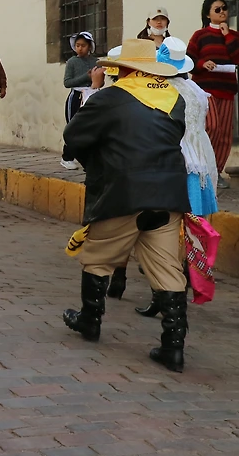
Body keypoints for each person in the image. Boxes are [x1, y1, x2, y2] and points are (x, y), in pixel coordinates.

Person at [61, 38, 191, 372]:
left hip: (123, 190)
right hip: (169, 191)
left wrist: (97, 163)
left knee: (98, 257)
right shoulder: (174, 98)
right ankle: (173, 346)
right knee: (167, 266)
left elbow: (74, 136)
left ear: (123, 69)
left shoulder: (111, 97)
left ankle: (90, 320)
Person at [132, 37, 221, 316]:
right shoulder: (196, 89)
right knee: (191, 230)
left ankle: (164, 294)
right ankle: (183, 283)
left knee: (163, 233)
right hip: (201, 163)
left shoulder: (162, 90)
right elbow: (209, 125)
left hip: (173, 162)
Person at [188, 0, 239, 188]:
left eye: (224, 8)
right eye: (217, 9)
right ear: (208, 14)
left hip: (226, 89)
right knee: (212, 127)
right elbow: (189, 60)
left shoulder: (235, 36)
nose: (222, 12)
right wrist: (202, 63)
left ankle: (217, 171)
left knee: (224, 133)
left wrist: (227, 35)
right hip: (205, 90)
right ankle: (204, 167)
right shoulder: (200, 35)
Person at [63, 31, 98, 122]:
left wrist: (96, 78)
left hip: (93, 96)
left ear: (89, 46)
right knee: (74, 123)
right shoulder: (72, 62)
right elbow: (67, 83)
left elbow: (101, 83)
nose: (80, 48)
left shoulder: (96, 62)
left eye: (83, 45)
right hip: (77, 97)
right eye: (77, 45)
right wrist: (86, 77)